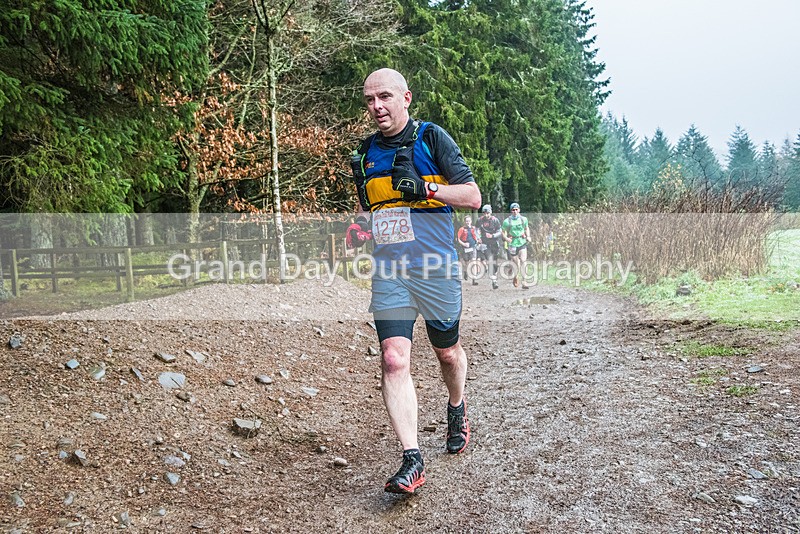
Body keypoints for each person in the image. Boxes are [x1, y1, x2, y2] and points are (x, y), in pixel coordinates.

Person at [351, 68, 482, 494]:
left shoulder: (431, 138)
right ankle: (412, 458)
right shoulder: (365, 154)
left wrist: (425, 189)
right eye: (370, 99)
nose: (377, 106)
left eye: (385, 97)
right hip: (391, 271)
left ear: (406, 98)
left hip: (436, 267)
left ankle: (457, 407)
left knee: (447, 354)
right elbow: (375, 211)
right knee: (393, 359)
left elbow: (472, 197)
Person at [502, 202, 532, 289]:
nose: (515, 211)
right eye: (513, 210)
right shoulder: (507, 221)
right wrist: (506, 239)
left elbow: (526, 228)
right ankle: (515, 276)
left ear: (519, 210)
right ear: (511, 211)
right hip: (512, 243)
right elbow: (503, 232)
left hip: (522, 241)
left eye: (516, 210)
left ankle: (524, 281)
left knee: (523, 261)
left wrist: (528, 236)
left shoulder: (524, 219)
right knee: (517, 264)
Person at [476, 204, 502, 289]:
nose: (486, 215)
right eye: (484, 213)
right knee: (490, 261)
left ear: (490, 212)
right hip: (485, 244)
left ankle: (494, 275)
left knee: (495, 263)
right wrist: (478, 238)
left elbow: (500, 231)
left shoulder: (495, 220)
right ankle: (494, 281)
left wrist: (493, 235)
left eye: (487, 213)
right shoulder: (479, 220)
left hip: (494, 244)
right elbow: (476, 230)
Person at [456, 215, 481, 286]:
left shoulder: (474, 228)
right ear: (464, 222)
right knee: (466, 264)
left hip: (473, 247)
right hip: (465, 249)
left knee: (473, 262)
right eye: (466, 221)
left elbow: (477, 236)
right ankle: (465, 272)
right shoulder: (462, 229)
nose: (468, 222)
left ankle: (474, 279)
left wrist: (478, 241)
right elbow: (458, 239)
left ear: (471, 221)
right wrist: (464, 244)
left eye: (469, 221)